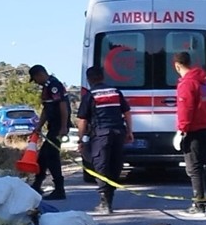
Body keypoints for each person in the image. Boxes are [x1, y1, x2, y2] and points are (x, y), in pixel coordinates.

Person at [76, 66, 133, 215]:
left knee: (100, 165)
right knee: (115, 165)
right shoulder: (115, 92)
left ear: (89, 80)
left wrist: (81, 140)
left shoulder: (90, 95)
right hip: (118, 132)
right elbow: (127, 112)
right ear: (103, 77)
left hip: (101, 134)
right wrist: (129, 131)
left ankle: (104, 202)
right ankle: (109, 200)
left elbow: (82, 120)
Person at [174, 51, 206, 216]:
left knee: (194, 169)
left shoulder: (187, 84)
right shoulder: (203, 82)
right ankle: (205, 204)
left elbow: (186, 109)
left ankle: (199, 205)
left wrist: (181, 130)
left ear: (177, 66)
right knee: (201, 168)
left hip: (194, 131)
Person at [28, 64, 70, 200]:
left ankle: (59, 189)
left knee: (51, 156)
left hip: (58, 125)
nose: (36, 82)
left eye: (35, 79)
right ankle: (36, 185)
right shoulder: (46, 87)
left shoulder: (54, 85)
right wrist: (39, 126)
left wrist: (63, 126)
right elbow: (46, 110)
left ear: (40, 74)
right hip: (52, 126)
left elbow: (63, 106)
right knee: (43, 156)